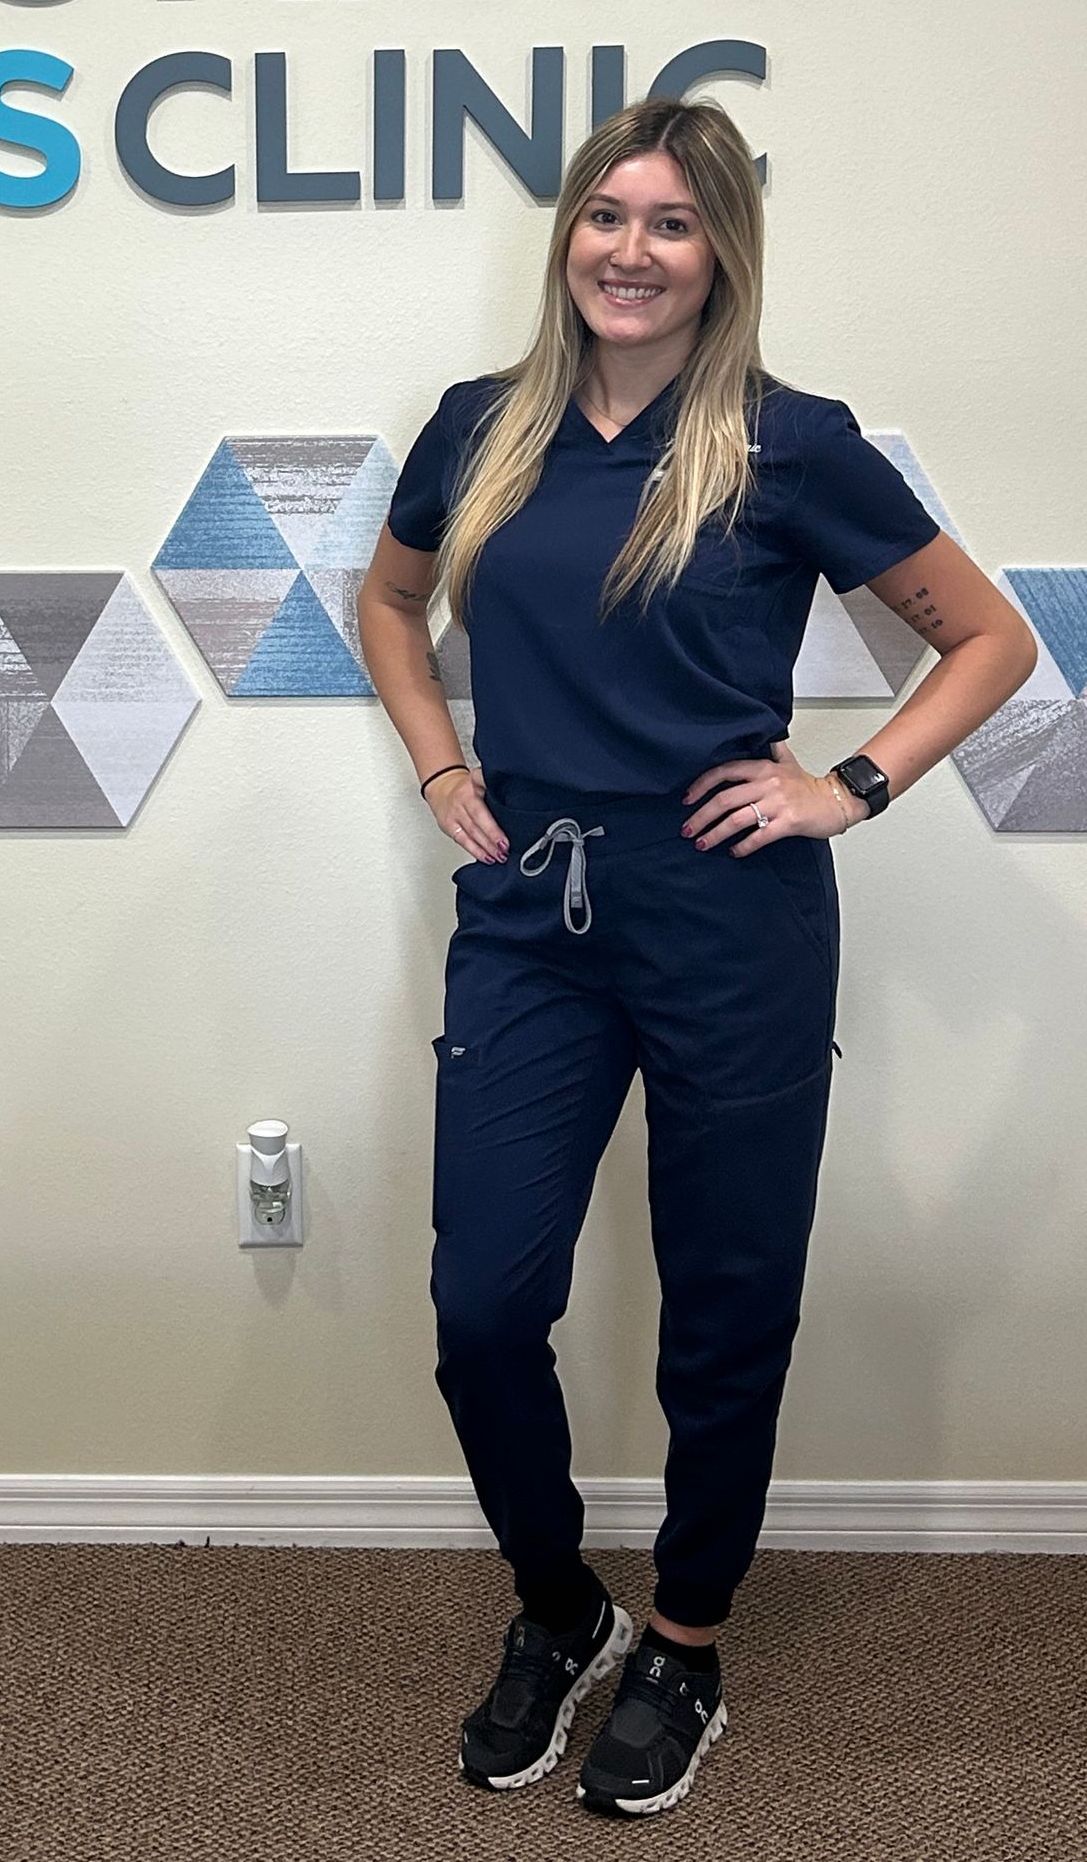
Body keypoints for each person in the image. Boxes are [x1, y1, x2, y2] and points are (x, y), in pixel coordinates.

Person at [356, 98, 1037, 1819]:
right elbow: (388, 602)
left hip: (731, 918)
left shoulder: (791, 444)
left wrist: (847, 784)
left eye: (672, 222)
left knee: (727, 1305)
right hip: (534, 912)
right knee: (483, 1305)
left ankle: (685, 1640)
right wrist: (444, 763)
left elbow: (989, 636)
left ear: (722, 251)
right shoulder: (482, 426)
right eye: (607, 213)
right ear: (567, 233)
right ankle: (556, 1604)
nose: (631, 250)